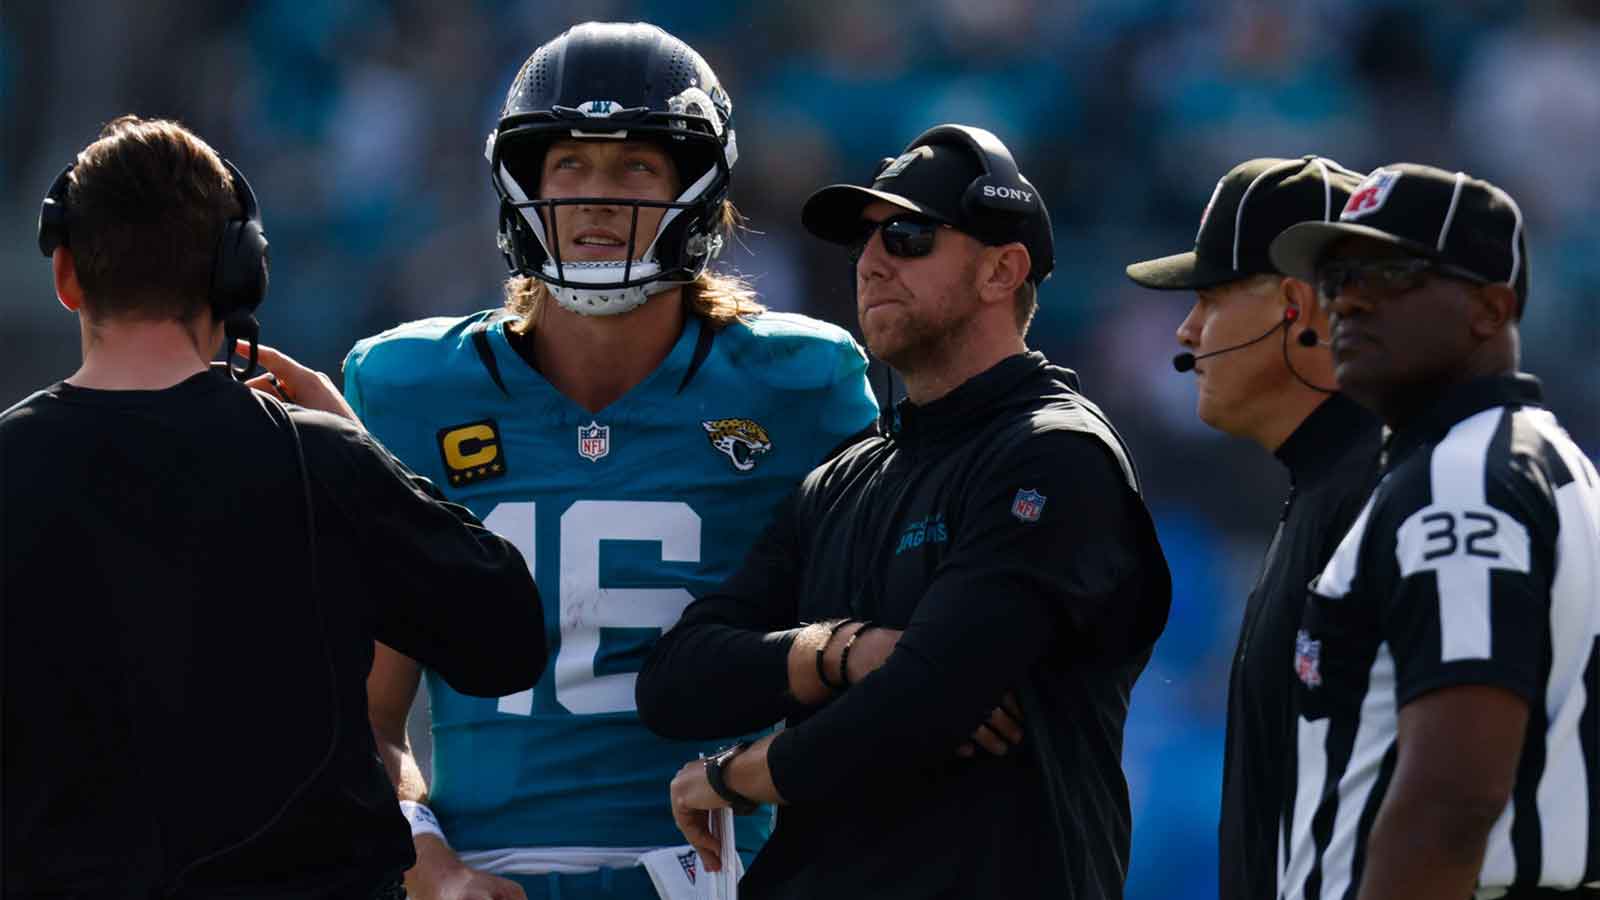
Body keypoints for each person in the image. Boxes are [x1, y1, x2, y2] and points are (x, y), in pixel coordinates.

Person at [344, 21, 880, 900]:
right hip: (491, 877)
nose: (597, 198)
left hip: (724, 876)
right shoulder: (410, 389)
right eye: (569, 166)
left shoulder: (801, 384)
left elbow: (867, 673)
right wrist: (431, 869)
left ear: (697, 189)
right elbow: (361, 717)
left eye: (636, 166)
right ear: (523, 184)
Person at [1, 116, 546, 899]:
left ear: (66, 276)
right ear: (237, 278)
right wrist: (359, 443)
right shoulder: (320, 461)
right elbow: (507, 635)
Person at [635, 123, 1173, 899]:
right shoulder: (843, 476)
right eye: (866, 242)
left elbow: (925, 701)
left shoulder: (1055, 453)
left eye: (910, 235)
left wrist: (732, 776)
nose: (873, 261)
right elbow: (675, 682)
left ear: (1002, 270)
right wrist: (841, 652)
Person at [1268, 164, 1600, 900]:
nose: (1348, 299)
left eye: (1388, 272)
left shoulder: (1465, 483)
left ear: (1490, 307)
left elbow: (1454, 800)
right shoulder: (1539, 463)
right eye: (1337, 277)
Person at [1125, 155, 1383, 900]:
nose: (1186, 328)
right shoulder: (1329, 486)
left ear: (1298, 306)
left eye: (1211, 296)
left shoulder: (1393, 491)